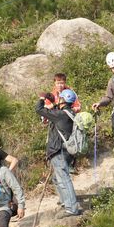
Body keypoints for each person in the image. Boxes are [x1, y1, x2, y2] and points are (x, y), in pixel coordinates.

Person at [37, 89, 83, 217]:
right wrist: (52, 100)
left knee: (63, 178)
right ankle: (65, 202)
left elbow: (39, 110)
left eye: (60, 98)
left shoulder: (61, 114)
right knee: (57, 178)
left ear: (63, 100)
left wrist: (42, 98)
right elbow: (55, 109)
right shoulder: (69, 112)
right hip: (67, 150)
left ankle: (72, 208)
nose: (59, 100)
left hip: (58, 150)